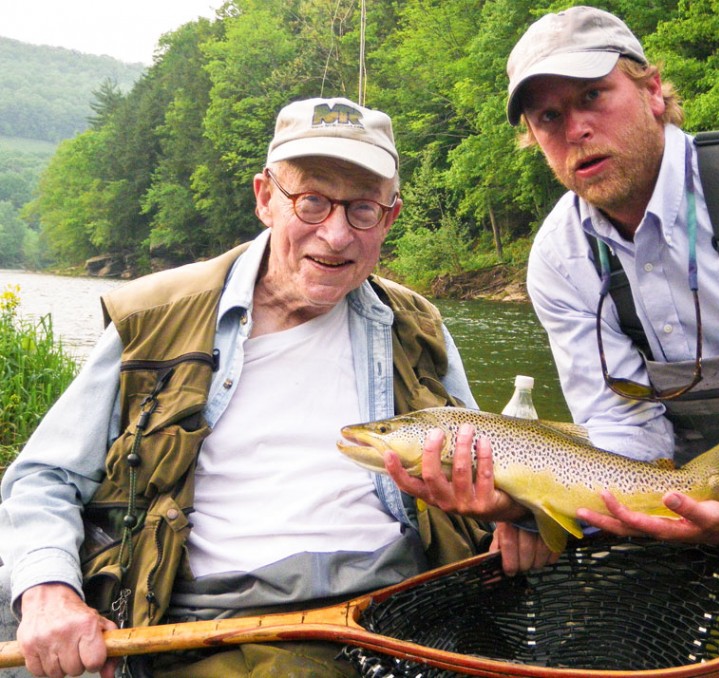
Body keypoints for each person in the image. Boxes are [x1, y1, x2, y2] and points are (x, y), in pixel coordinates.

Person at [386, 6, 719, 677]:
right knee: (595, 649)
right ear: (534, 139)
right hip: (680, 473)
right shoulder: (560, 259)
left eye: (593, 96)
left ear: (651, 91)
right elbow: (624, 428)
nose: (576, 129)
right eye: (548, 117)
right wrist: (525, 505)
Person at [0, 96, 488, 678]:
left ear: (389, 218)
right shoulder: (155, 318)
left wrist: (514, 515)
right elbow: (44, 478)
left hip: (395, 611)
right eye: (312, 201)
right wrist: (48, 590)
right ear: (265, 198)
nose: (336, 235)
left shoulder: (416, 326)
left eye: (362, 209)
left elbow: (493, 462)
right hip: (203, 621)